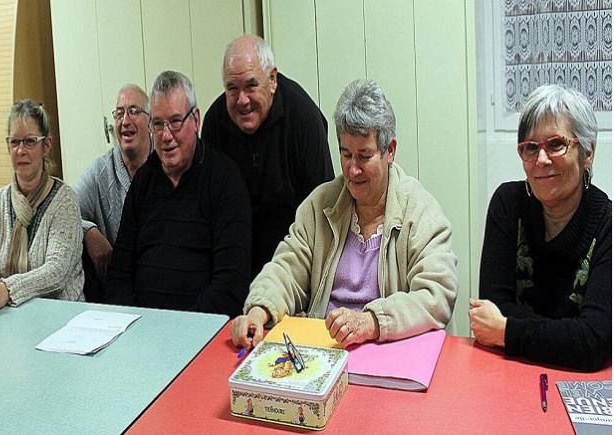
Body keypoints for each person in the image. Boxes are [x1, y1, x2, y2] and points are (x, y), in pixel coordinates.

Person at [230, 80, 458, 350]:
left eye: (364, 156)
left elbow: (436, 294)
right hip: (324, 350)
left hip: (389, 351)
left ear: (390, 151)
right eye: (346, 154)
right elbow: (287, 269)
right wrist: (259, 309)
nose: (352, 170)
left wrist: (372, 322)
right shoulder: (320, 204)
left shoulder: (420, 211)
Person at [470, 84, 611, 371]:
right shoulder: (507, 204)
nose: (541, 160)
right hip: (508, 371)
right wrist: (566, 335)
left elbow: (594, 341)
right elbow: (491, 311)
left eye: (556, 144)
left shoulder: (607, 223)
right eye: (531, 148)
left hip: (577, 381)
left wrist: (507, 331)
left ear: (587, 153)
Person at [105, 71, 251, 317]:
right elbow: (120, 271)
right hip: (140, 326)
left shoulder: (225, 181)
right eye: (157, 124)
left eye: (175, 122)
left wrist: (181, 327)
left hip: (202, 328)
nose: (165, 136)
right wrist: (128, 320)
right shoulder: (143, 180)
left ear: (196, 120)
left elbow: (231, 284)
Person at [202, 35, 334, 277]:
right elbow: (209, 210)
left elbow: (324, 210)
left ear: (272, 79)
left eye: (251, 86)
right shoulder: (214, 123)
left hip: (295, 261)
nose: (242, 100)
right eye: (232, 88)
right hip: (235, 260)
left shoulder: (304, 119)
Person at [0, 100, 84, 316]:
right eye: (14, 142)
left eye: (29, 141)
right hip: (8, 316)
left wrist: (7, 289)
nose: (20, 150)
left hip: (59, 316)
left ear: (46, 145)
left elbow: (56, 271)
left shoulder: (65, 201)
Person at [74, 84, 151, 302]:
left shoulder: (165, 166)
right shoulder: (100, 171)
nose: (125, 120)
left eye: (134, 111)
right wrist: (89, 231)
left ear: (151, 122)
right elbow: (64, 211)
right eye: (119, 113)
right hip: (115, 292)